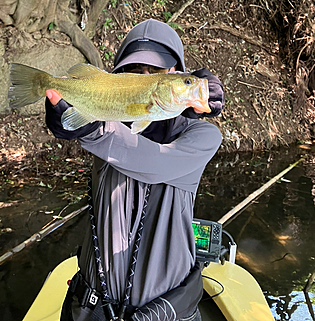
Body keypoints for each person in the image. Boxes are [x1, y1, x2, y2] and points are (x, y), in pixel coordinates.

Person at [45, 19, 224, 321]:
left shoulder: (203, 137)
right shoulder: (106, 126)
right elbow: (114, 139)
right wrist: (71, 120)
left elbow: (154, 163)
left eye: (156, 71)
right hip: (89, 309)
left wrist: (194, 92)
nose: (145, 76)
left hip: (165, 312)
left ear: (175, 72)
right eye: (135, 71)